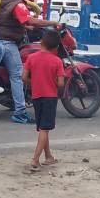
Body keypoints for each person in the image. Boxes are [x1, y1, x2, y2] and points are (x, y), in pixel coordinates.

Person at [0, 0, 62, 124]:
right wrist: (52, 22)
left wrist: (27, 27)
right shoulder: (18, 3)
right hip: (7, 42)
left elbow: (12, 19)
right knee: (18, 76)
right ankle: (19, 112)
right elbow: (29, 19)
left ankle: (13, 101)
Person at [22, 30, 64, 172]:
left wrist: (34, 82)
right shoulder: (57, 61)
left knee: (42, 128)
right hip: (50, 97)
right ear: (56, 47)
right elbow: (60, 84)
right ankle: (35, 160)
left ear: (41, 42)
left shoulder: (31, 58)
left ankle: (48, 156)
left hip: (36, 96)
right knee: (45, 129)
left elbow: (24, 77)